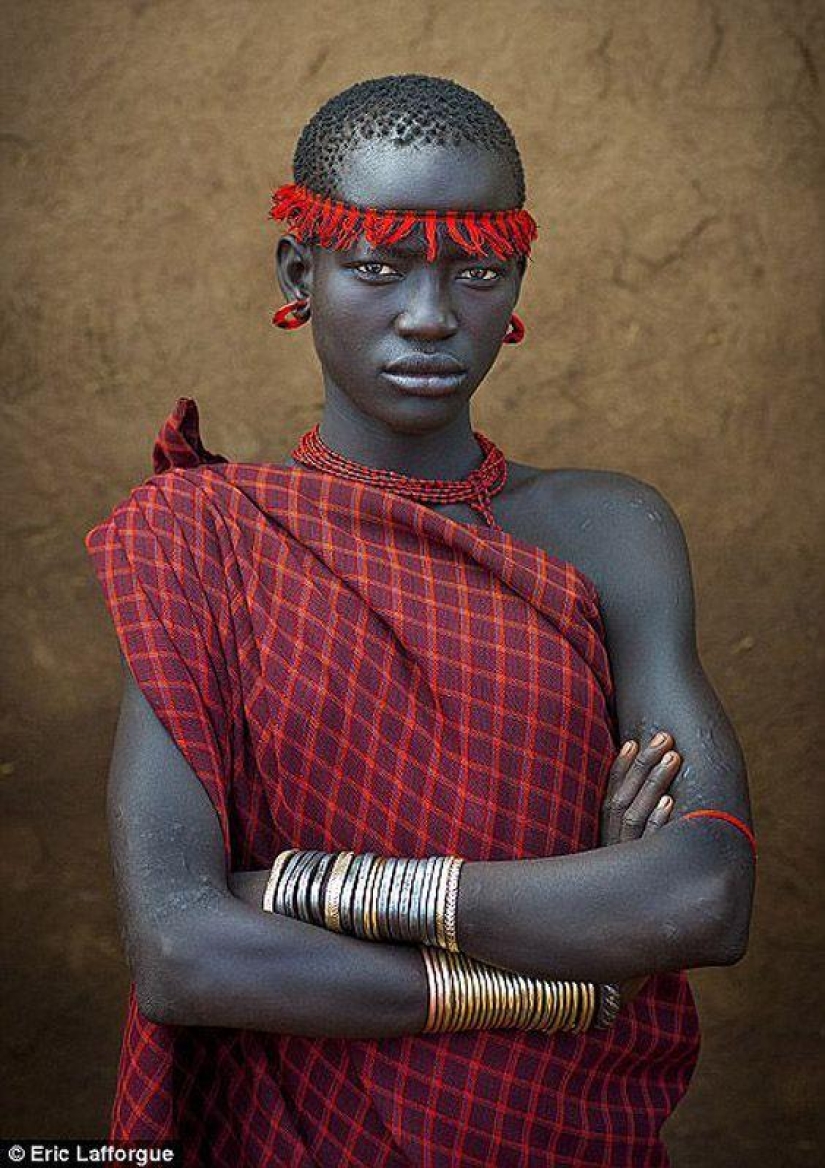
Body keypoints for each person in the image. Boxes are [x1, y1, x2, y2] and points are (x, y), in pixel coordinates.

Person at [85, 74, 756, 1167]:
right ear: (300, 271)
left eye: (478, 271)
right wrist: (573, 974)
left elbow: (704, 892)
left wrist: (310, 887)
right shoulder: (201, 541)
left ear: (519, 277)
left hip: (554, 1135)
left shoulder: (613, 531)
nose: (432, 314)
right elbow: (183, 949)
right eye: (379, 266)